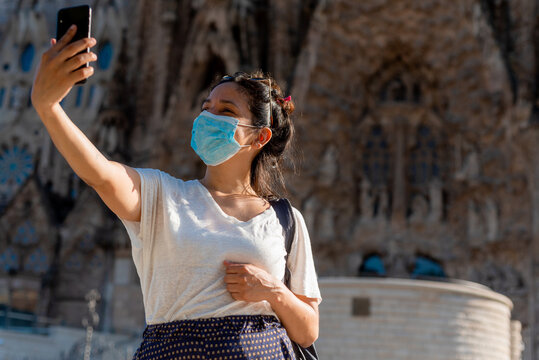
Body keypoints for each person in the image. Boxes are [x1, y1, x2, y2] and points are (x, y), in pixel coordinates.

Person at [31, 25, 322, 360]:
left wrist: (273, 292)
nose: (208, 116)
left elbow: (308, 330)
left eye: (226, 111)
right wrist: (48, 107)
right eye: (206, 106)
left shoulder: (286, 220)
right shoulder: (164, 196)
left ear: (260, 137)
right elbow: (101, 175)